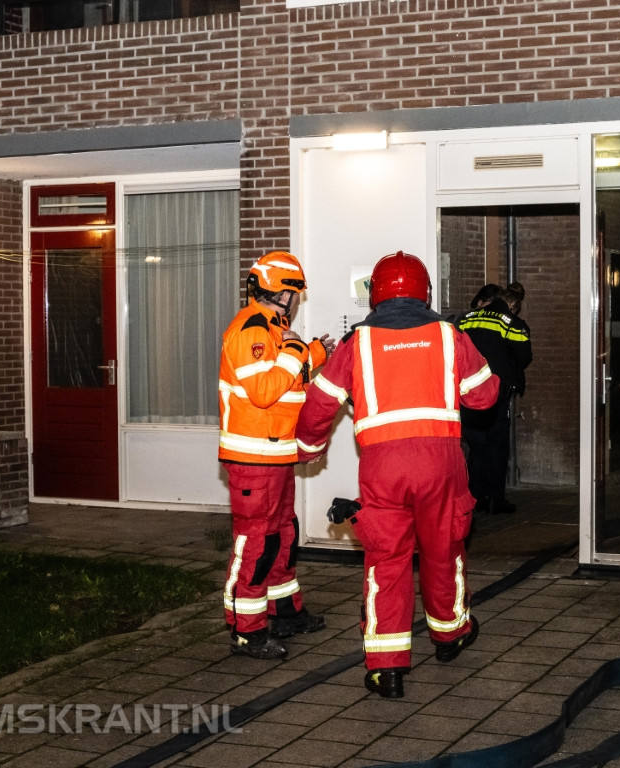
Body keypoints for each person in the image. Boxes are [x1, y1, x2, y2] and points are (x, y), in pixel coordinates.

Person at [295, 251, 499, 699]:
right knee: (444, 551)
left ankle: (386, 668)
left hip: (383, 468)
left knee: (386, 562)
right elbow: (484, 396)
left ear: (376, 294)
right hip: (441, 464)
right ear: (426, 292)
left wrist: (309, 449)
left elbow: (320, 403)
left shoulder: (356, 342)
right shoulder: (449, 335)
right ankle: (450, 636)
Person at [218, 250, 336, 660]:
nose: (296, 300)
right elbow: (264, 392)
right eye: (295, 292)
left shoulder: (273, 331)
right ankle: (246, 630)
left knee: (283, 535)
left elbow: (289, 383)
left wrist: (315, 352)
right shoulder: (251, 329)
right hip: (253, 459)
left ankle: (285, 612)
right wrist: (297, 350)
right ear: (282, 294)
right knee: (257, 543)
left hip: (276, 455)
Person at [457, 282, 532, 515]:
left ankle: (476, 497)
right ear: (513, 305)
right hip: (497, 391)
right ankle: (496, 499)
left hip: (468, 391)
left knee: (476, 445)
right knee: (497, 445)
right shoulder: (512, 323)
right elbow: (524, 356)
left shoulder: (466, 318)